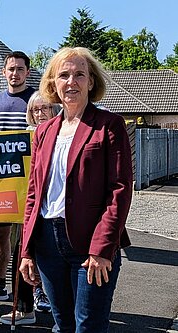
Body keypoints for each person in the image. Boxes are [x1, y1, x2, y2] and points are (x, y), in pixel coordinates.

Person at [19, 47, 133, 333]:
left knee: (88, 327)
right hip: (47, 243)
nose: (71, 82)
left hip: (90, 243)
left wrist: (103, 248)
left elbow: (120, 190)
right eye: (64, 75)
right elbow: (34, 194)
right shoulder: (44, 131)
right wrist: (27, 250)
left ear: (91, 82)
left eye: (79, 74)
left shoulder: (109, 126)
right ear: (53, 84)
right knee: (62, 326)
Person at [0, 91, 60, 326]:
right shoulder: (23, 138)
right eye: (35, 110)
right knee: (22, 257)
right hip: (28, 209)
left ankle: (60, 313)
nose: (40, 113)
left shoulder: (63, 134)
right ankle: (25, 309)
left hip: (55, 210)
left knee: (55, 262)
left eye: (45, 108)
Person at [0, 51, 36, 325]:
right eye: (10, 69)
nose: (15, 73)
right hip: (2, 180)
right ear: (4, 72)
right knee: (0, 234)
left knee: (30, 240)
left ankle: (33, 294)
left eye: (20, 69)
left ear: (28, 72)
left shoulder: (37, 100)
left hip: (30, 181)